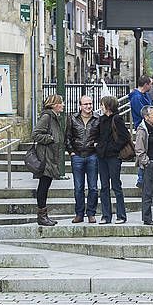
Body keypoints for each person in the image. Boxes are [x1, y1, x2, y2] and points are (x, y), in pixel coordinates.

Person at [90, 95, 129, 224]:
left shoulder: (117, 119)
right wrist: (97, 145)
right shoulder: (100, 119)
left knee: (116, 185)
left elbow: (124, 137)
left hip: (113, 156)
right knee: (104, 186)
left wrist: (113, 148)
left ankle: (121, 215)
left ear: (108, 106)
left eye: (102, 104)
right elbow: (96, 135)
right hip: (102, 156)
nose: (101, 107)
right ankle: (106, 215)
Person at [65, 95, 99, 224]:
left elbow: (100, 135)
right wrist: (71, 152)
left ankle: (91, 213)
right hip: (77, 155)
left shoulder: (97, 119)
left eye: (90, 103)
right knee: (78, 187)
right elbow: (67, 136)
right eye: (85, 104)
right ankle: (79, 213)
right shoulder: (73, 118)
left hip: (92, 155)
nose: (88, 106)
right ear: (80, 106)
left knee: (93, 187)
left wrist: (97, 148)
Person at [32, 94, 65, 226]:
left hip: (51, 157)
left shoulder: (54, 117)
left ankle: (44, 215)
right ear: (55, 104)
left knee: (45, 185)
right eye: (61, 103)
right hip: (46, 158)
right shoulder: (47, 117)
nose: (63, 105)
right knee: (43, 186)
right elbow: (35, 134)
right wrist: (50, 139)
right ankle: (41, 216)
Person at [129, 75, 153, 189]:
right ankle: (141, 178)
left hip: (149, 125)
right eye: (150, 84)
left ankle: (143, 178)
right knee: (142, 151)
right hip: (142, 126)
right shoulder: (136, 97)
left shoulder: (145, 95)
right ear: (146, 85)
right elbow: (142, 112)